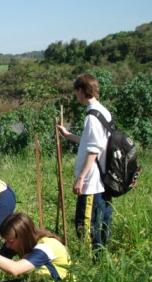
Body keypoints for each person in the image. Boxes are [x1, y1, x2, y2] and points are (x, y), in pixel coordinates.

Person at [58, 73, 113, 254]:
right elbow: (91, 141)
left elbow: (93, 149)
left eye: (76, 92)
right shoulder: (102, 111)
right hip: (103, 180)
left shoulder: (92, 117)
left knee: (87, 223)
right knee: (101, 221)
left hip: (92, 182)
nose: (76, 96)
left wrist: (80, 178)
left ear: (81, 91)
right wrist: (68, 135)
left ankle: (91, 262)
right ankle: (101, 257)